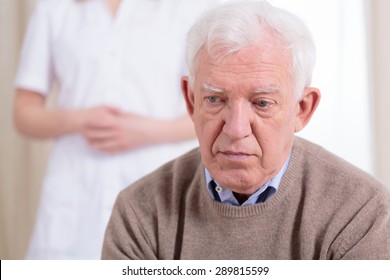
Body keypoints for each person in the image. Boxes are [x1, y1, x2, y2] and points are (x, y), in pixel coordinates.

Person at [102, 0, 390, 260]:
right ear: (192, 101)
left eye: (262, 103)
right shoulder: (139, 211)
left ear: (302, 109)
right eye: (214, 99)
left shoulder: (361, 212)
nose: (236, 129)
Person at [13, 0, 218, 259]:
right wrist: (78, 120)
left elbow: (212, 110)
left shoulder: (187, 10)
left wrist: (147, 131)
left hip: (153, 184)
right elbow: (23, 114)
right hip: (73, 193)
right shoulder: (54, 9)